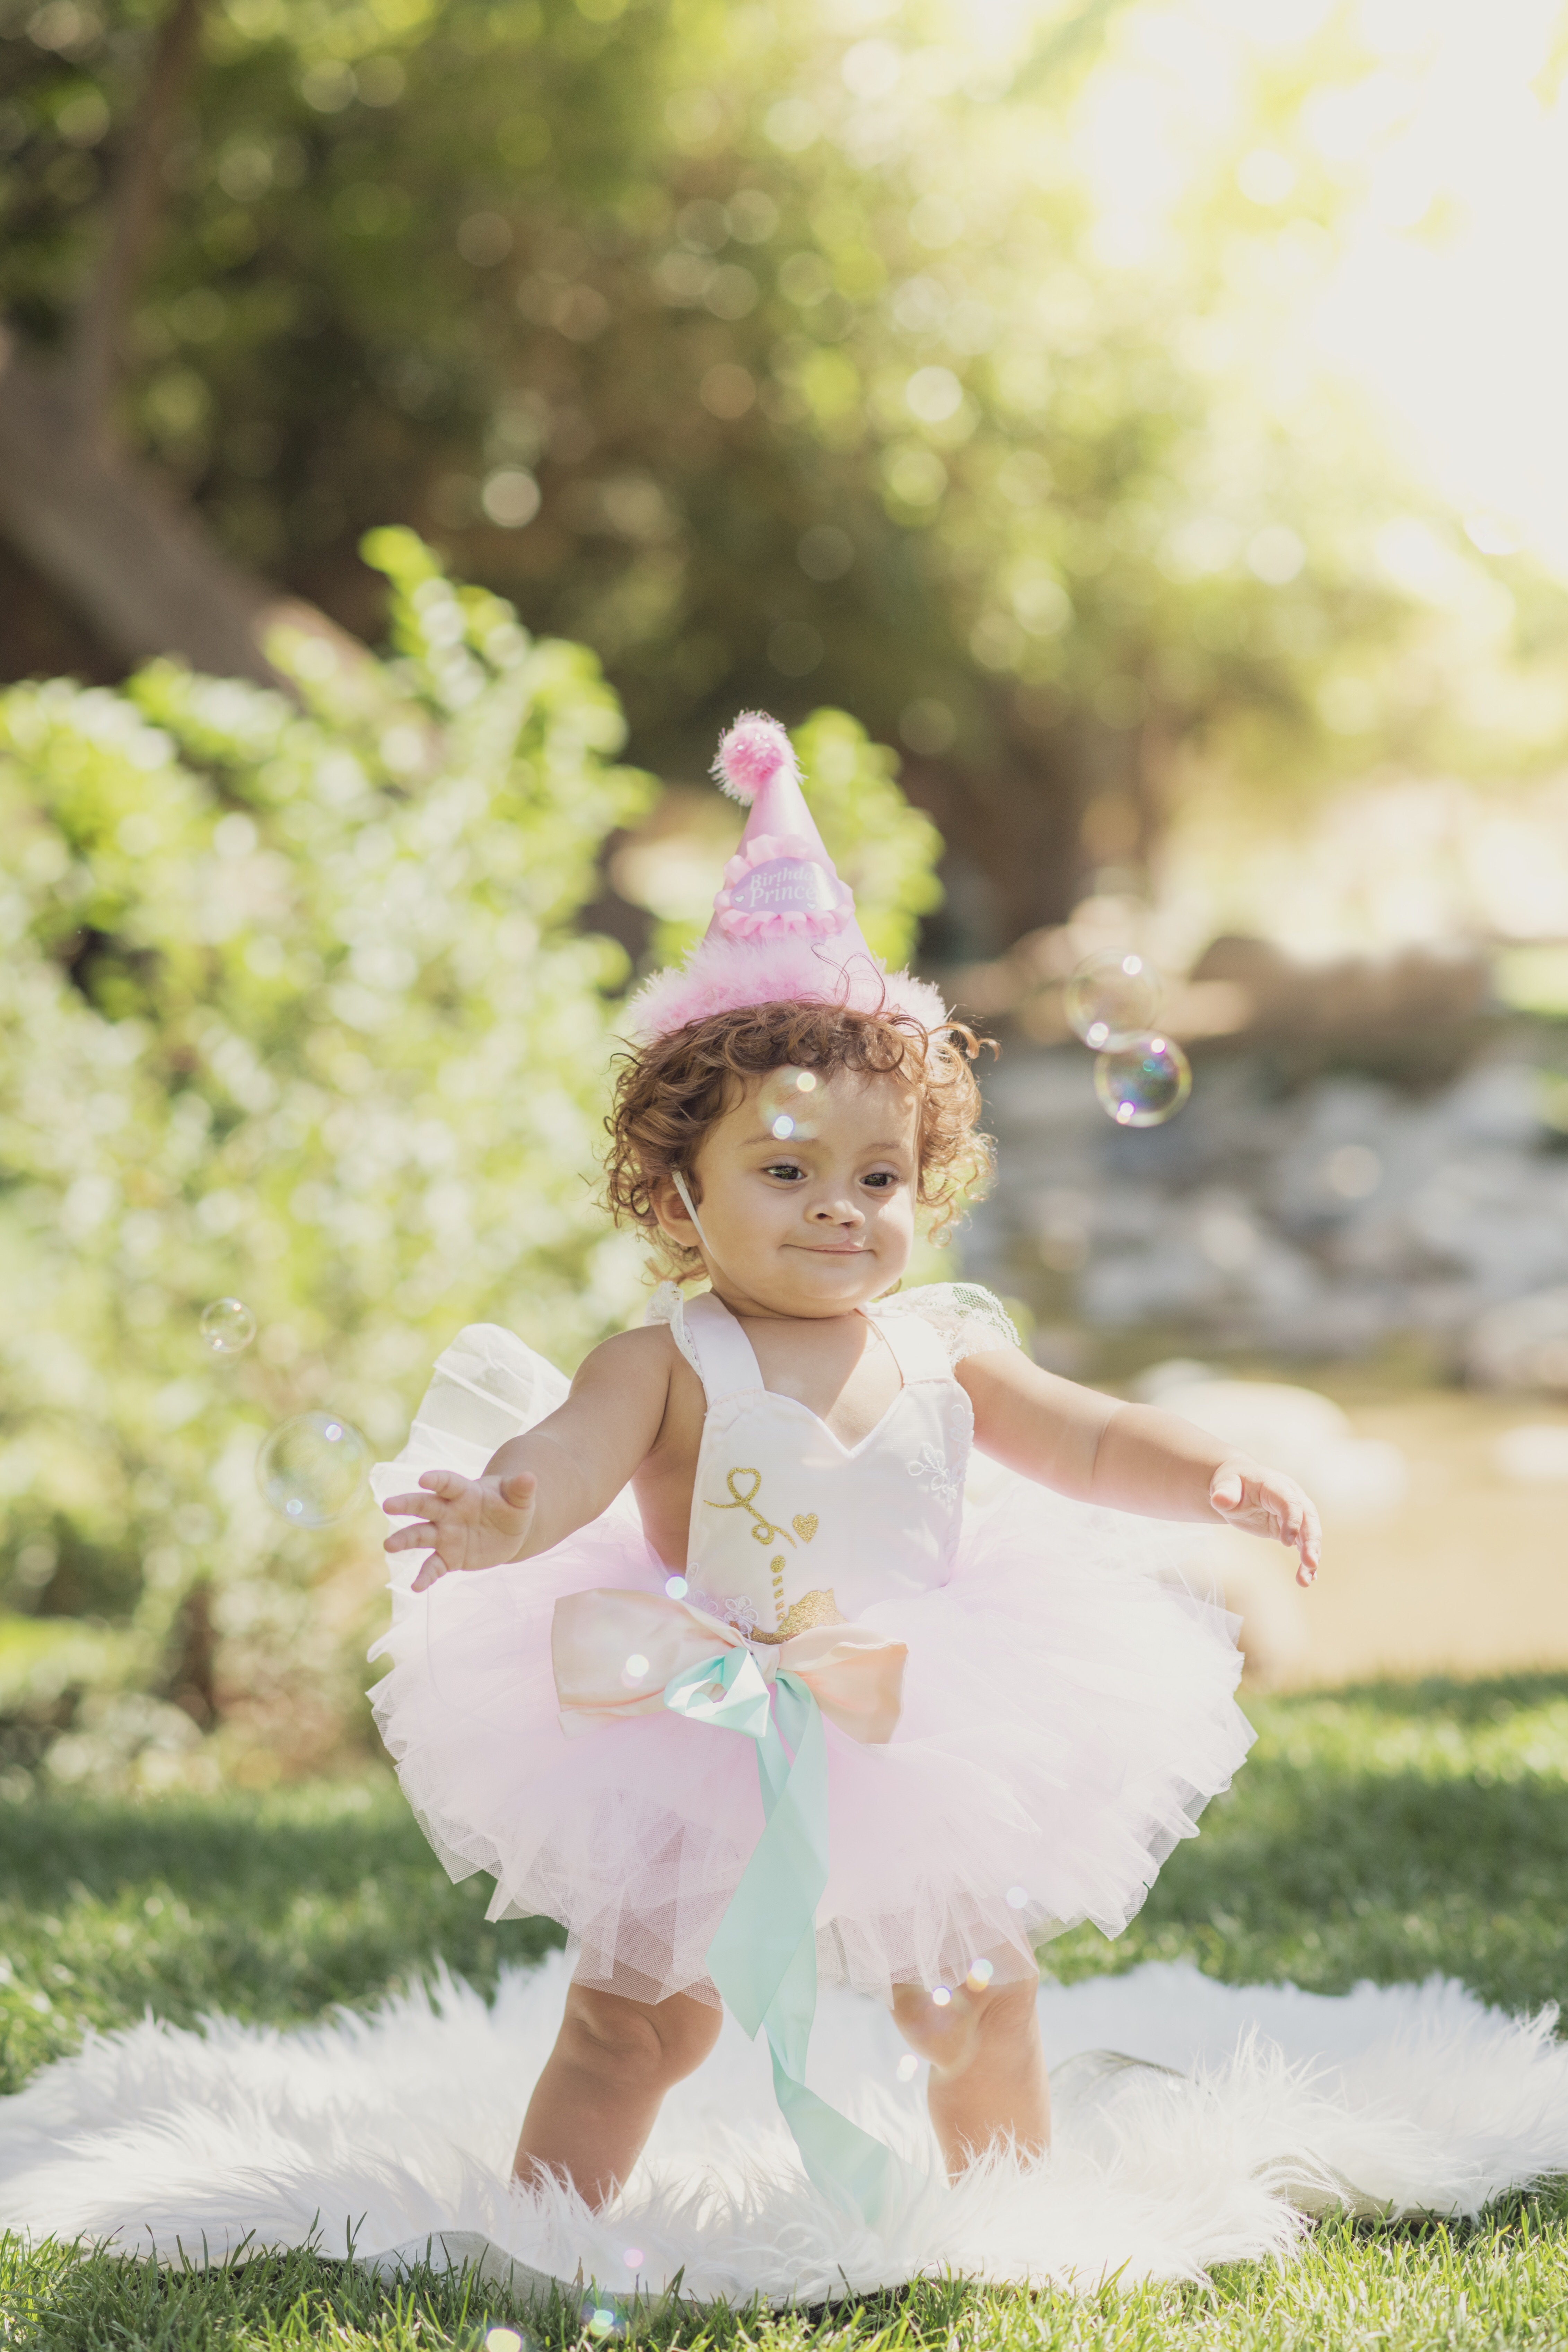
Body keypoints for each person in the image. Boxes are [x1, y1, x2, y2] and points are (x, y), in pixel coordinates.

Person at [372, 712, 1320, 2225]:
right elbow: (565, 1451)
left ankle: (1011, 2220)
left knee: (975, 2001)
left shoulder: (942, 1348)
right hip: (706, 1721)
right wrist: (504, 1511)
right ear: (683, 1189)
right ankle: (541, 2227)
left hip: (911, 1718)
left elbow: (1082, 1432)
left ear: (925, 1182)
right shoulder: (666, 1356)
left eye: (878, 1177)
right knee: (639, 2020)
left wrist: (1213, 1473)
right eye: (786, 1170)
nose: (839, 1209)